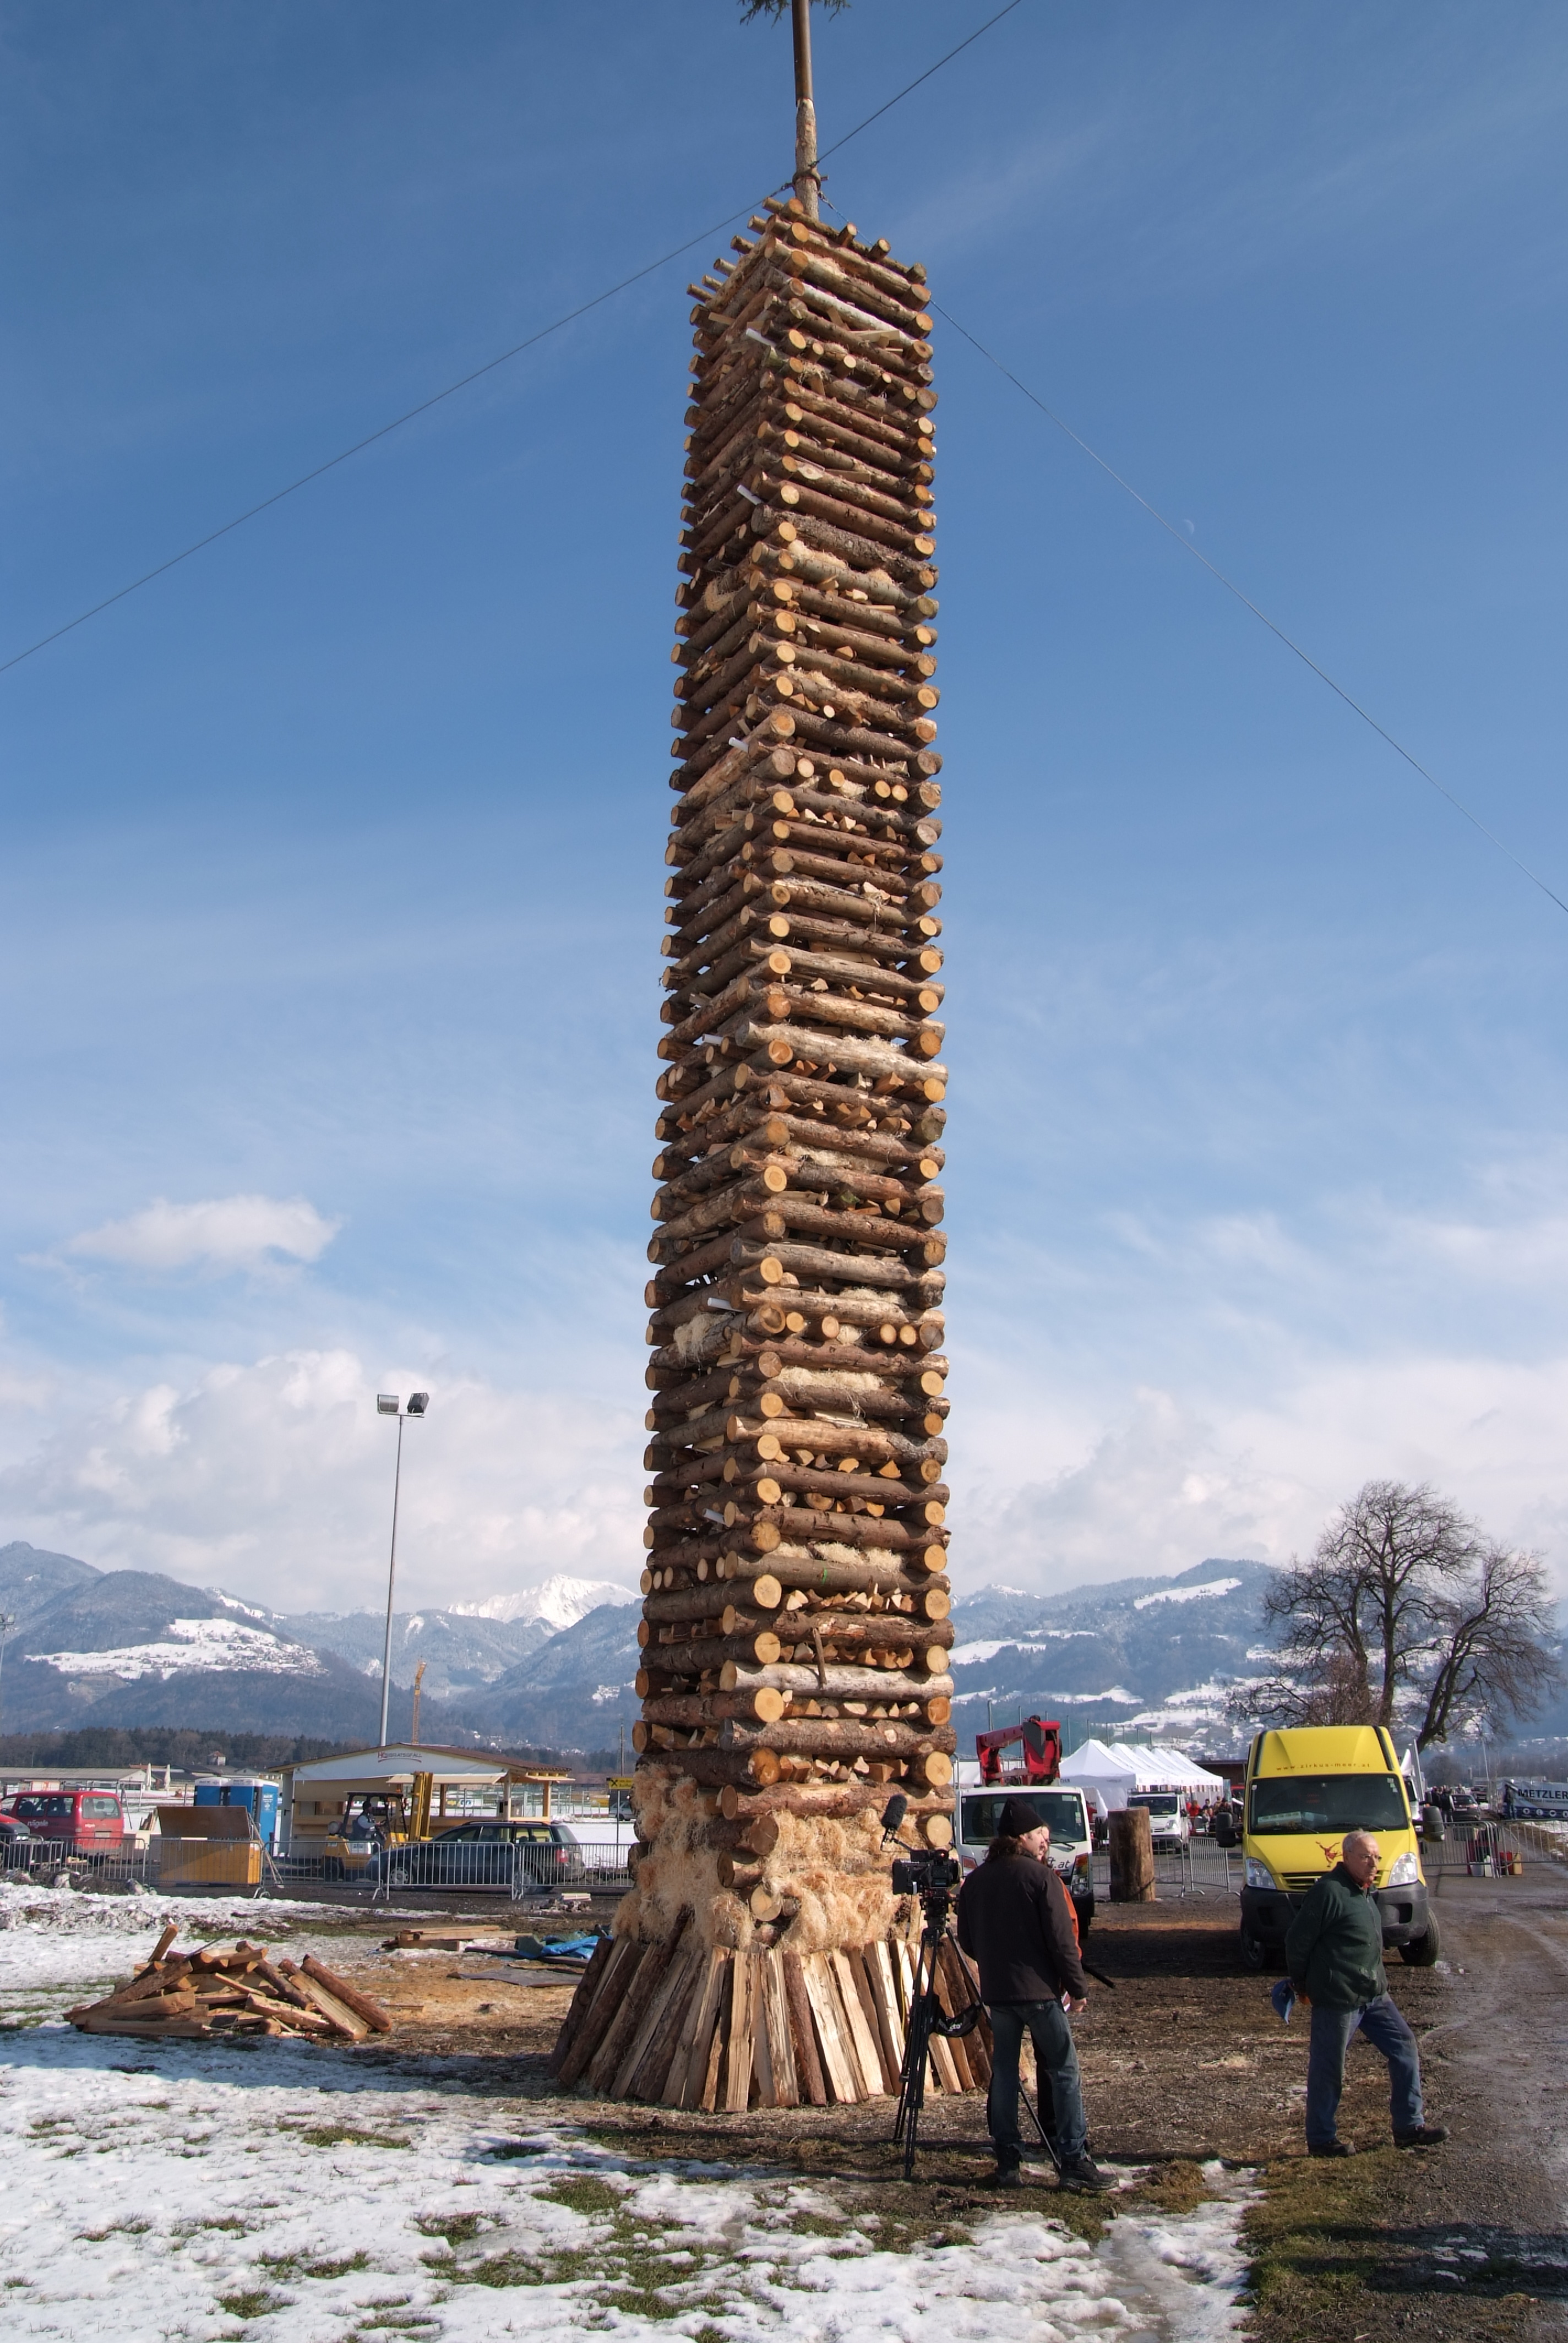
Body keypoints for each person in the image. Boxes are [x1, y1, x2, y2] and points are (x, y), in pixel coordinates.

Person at [955, 1795, 1107, 2193]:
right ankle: (1074, 2158)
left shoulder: (976, 1881)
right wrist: (1078, 1987)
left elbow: (968, 1941)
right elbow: (1062, 1941)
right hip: (1039, 1993)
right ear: (1022, 1836)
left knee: (1005, 2074)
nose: (1046, 1840)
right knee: (1063, 2071)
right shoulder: (1042, 1878)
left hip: (999, 1994)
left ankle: (1008, 2160)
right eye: (1041, 1833)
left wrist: (998, 1964)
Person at [1284, 1829, 1447, 2157]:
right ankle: (1321, 2139)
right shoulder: (1329, 1892)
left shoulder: (1365, 1891)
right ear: (1345, 1857)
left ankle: (1409, 2126)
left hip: (1374, 1995)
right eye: (1365, 1857)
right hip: (1338, 1998)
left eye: (1376, 1857)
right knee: (1329, 2067)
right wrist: (1302, 1984)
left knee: (1404, 2046)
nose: (1374, 1863)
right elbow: (1297, 1941)